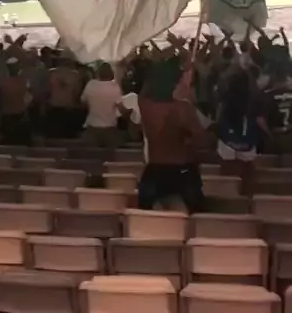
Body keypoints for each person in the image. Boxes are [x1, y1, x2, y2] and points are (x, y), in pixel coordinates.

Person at [138, 55, 210, 213]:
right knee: (193, 219)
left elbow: (145, 90)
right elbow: (203, 141)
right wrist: (187, 94)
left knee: (146, 220)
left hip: (154, 170)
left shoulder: (145, 105)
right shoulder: (183, 109)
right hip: (182, 172)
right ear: (174, 83)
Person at [216, 69, 268, 193]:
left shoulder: (223, 101)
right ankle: (247, 198)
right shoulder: (255, 101)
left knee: (228, 180)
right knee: (247, 177)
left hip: (227, 146)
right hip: (248, 144)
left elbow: (219, 122)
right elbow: (260, 122)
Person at [81, 62, 122, 148]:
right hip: (110, 130)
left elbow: (83, 102)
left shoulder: (90, 85)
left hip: (91, 129)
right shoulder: (115, 87)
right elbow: (120, 107)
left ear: (98, 73)